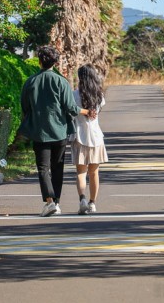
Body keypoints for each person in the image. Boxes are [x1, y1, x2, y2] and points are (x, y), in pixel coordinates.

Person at [18, 45, 94, 217]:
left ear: (39, 60)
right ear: (56, 62)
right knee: (57, 167)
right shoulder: (62, 82)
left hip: (39, 131)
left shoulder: (30, 82)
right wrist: (85, 111)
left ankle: (49, 202)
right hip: (60, 130)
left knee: (43, 168)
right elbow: (70, 107)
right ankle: (57, 202)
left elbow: (24, 107)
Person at [72, 64, 109, 215]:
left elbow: (71, 111)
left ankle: (82, 199)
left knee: (81, 172)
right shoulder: (99, 96)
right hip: (96, 137)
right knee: (94, 173)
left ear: (80, 78)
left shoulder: (74, 95)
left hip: (79, 136)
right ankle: (92, 203)